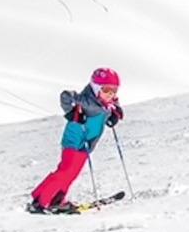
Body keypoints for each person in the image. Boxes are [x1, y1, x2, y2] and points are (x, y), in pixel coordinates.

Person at [28, 67, 124, 214]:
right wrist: (71, 112)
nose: (110, 94)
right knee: (65, 171)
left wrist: (116, 114)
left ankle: (57, 200)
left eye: (114, 90)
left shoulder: (106, 102)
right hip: (73, 140)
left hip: (86, 143)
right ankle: (40, 201)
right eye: (106, 89)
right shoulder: (86, 100)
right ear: (96, 87)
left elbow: (114, 103)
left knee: (72, 173)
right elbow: (66, 96)